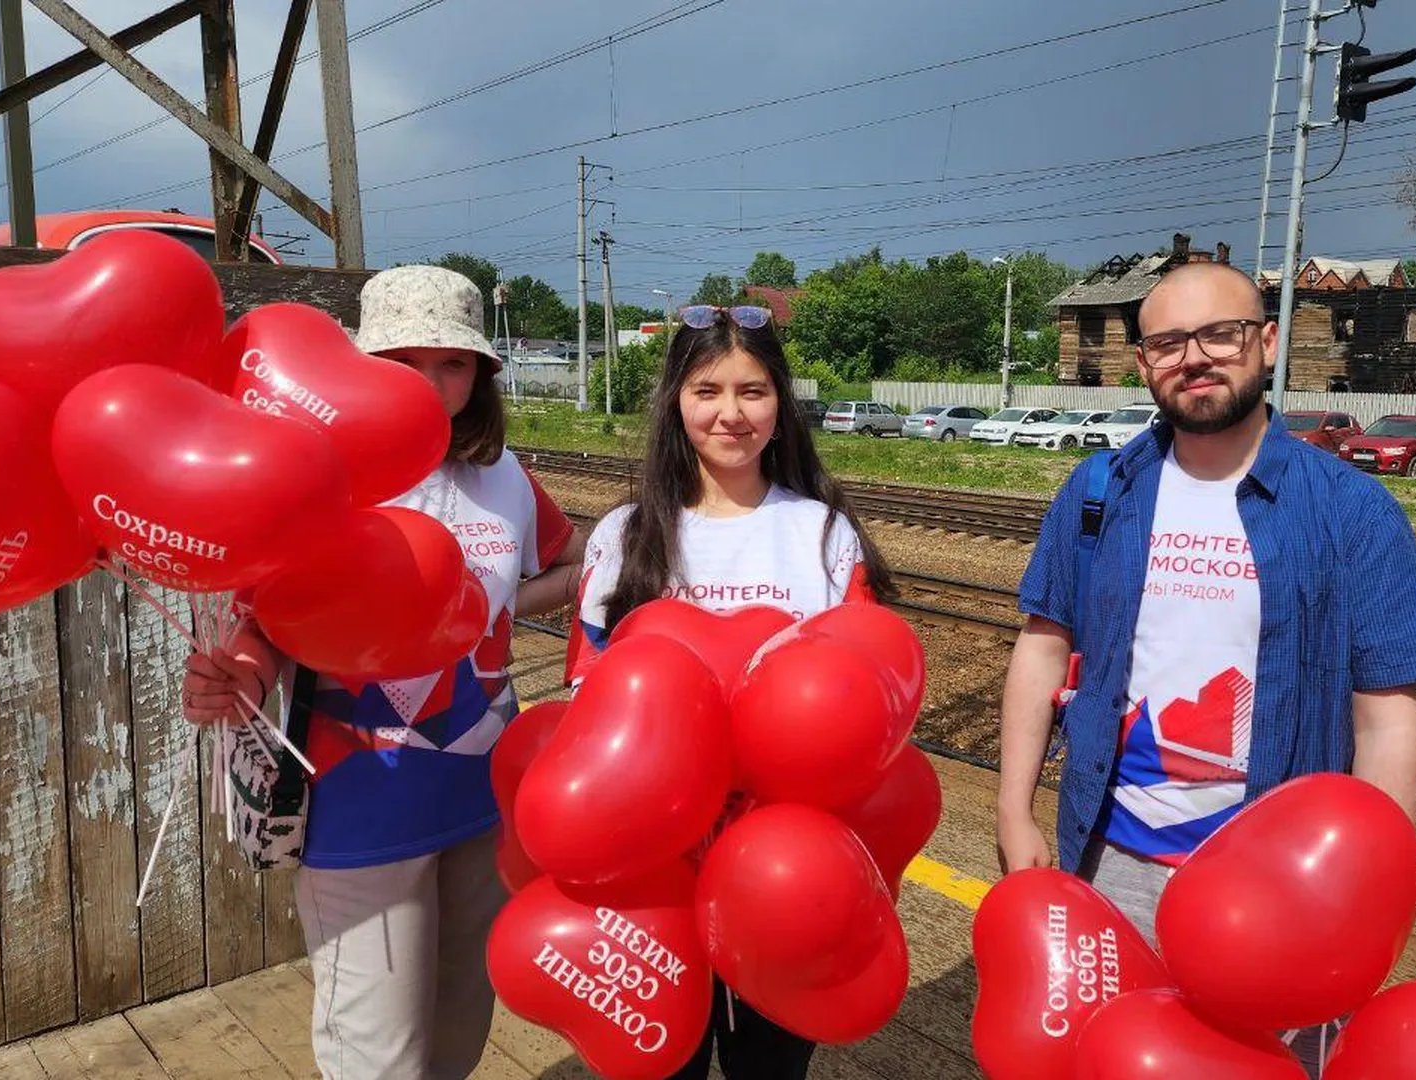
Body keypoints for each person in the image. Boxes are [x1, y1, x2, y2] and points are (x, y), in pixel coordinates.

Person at [994, 261, 1416, 1075]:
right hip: (1111, 866)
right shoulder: (1100, 491)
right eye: (1168, 342)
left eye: (1220, 333)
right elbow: (1042, 646)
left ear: (1266, 343)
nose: (1194, 357)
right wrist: (1013, 810)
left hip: (1277, 897)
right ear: (1143, 364)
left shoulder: (1354, 512)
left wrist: (1358, 898)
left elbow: (1387, 718)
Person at [181, 264, 586, 1080]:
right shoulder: (320, 475)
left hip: (483, 796)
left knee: (457, 1030)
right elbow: (268, 621)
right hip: (362, 800)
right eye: (403, 362)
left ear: (482, 374)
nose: (430, 385)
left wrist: (499, 606)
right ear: (365, 367)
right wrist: (243, 679)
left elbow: (576, 561)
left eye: (453, 363)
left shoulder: (503, 479)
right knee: (377, 1054)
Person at [566, 302, 895, 1080]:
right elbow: (588, 691)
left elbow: (866, 703)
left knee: (771, 1067)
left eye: (753, 391)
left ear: (781, 407)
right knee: (664, 1062)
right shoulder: (625, 533)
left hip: (784, 868)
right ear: (676, 405)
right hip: (653, 864)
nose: (730, 413)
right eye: (707, 390)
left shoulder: (822, 533)